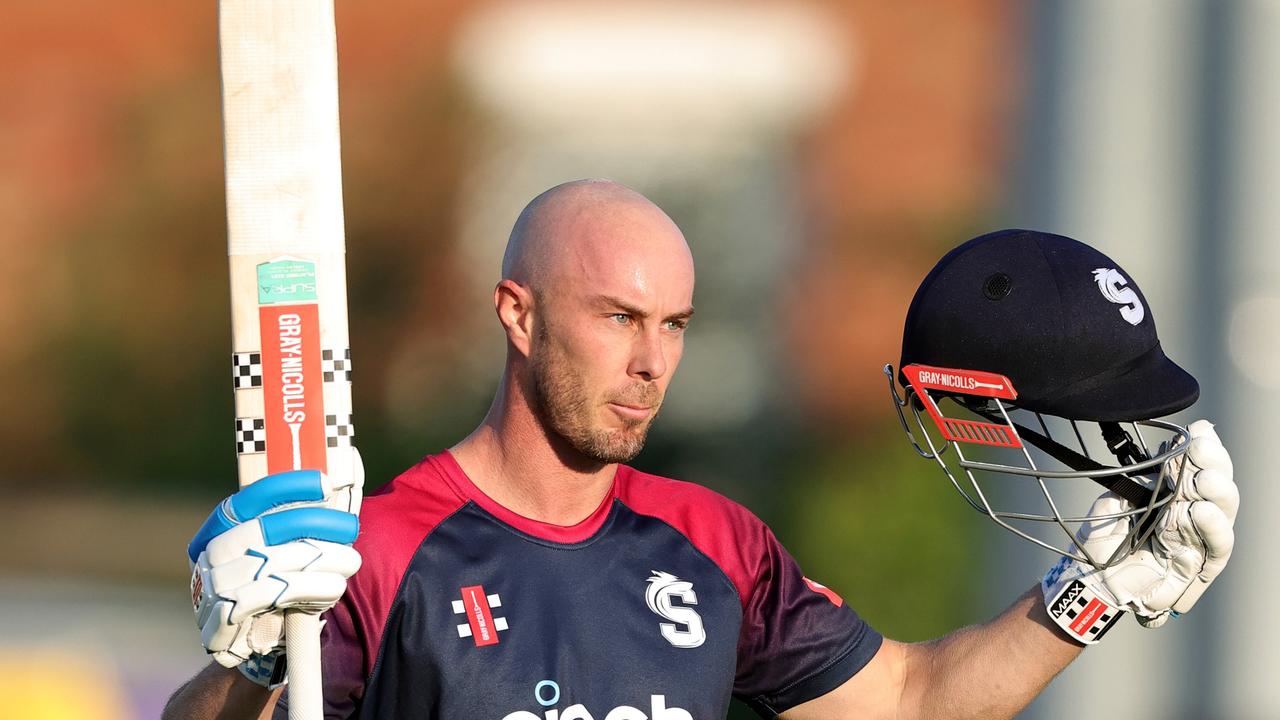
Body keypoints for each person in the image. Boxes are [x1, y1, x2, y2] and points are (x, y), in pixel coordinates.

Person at [164, 180, 1238, 720]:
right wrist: (242, 664)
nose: (650, 361)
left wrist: (1088, 596)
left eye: (672, 325)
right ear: (516, 313)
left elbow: (909, 702)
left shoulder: (711, 542)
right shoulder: (382, 547)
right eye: (617, 318)